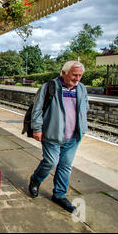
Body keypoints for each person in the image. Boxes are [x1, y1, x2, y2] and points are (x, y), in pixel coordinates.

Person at [28, 61, 89, 213]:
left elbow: (85, 107)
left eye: (80, 75)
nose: (77, 78)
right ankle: (36, 179)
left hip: (73, 136)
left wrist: (82, 127)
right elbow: (37, 109)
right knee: (51, 161)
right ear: (64, 73)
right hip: (52, 133)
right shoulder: (49, 87)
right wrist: (37, 128)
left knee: (65, 166)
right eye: (75, 75)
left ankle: (59, 195)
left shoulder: (81, 89)